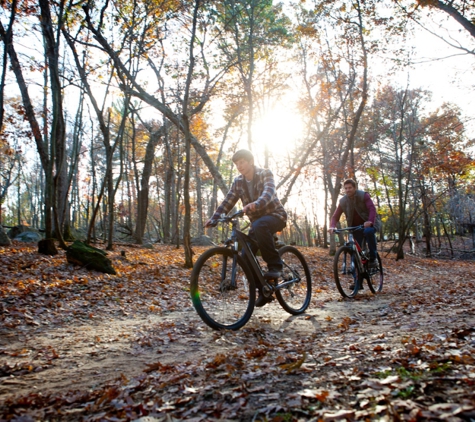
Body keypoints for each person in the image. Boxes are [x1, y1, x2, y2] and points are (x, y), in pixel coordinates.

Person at [205, 149, 287, 307]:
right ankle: (263, 289)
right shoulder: (238, 182)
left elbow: (269, 193)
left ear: (250, 161)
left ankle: (275, 265)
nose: (239, 166)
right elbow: (228, 202)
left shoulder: (265, 173)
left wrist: (255, 205)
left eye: (242, 162)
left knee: (260, 224)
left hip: (276, 216)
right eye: (236, 163)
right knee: (245, 256)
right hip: (257, 224)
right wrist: (214, 218)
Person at [329, 178, 380, 268]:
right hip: (355, 227)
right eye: (346, 188)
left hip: (369, 223)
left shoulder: (363, 195)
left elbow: (372, 209)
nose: (348, 190)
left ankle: (373, 258)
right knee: (356, 249)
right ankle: (359, 274)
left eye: (350, 188)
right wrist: (332, 226)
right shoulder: (343, 201)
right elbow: (335, 216)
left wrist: (370, 221)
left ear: (355, 188)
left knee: (368, 232)